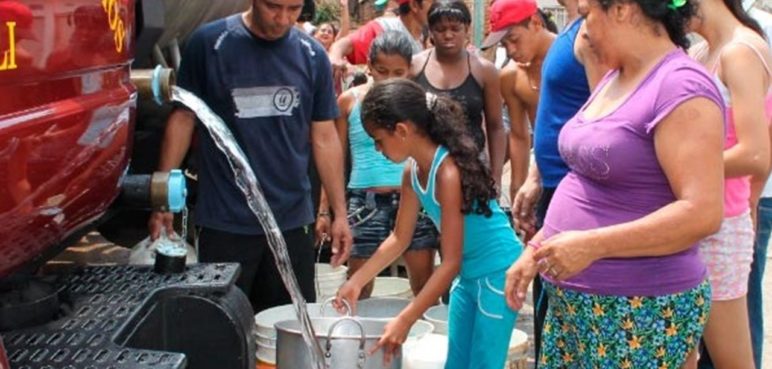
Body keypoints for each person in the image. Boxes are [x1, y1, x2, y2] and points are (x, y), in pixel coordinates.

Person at [504, 0, 727, 367]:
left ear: (622, 9)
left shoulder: (680, 86)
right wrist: (537, 250)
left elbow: (702, 213)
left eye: (588, 12)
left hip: (637, 313)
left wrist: (594, 245)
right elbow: (588, 180)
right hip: (583, 312)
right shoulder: (617, 76)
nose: (583, 27)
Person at [148, 0, 353, 314]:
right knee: (220, 326)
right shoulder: (209, 44)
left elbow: (324, 137)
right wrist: (162, 196)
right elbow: (183, 119)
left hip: (291, 221)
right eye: (274, 7)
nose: (282, 19)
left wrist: (339, 212)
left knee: (290, 327)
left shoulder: (311, 55)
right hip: (225, 221)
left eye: (294, 9)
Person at [335, 79, 523, 369]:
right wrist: (356, 282)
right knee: (457, 362)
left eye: (378, 139)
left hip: (498, 272)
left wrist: (406, 318)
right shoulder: (412, 172)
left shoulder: (447, 173)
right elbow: (399, 238)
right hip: (469, 274)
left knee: (485, 362)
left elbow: (449, 262)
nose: (376, 148)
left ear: (402, 130)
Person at [501, 0, 606, 362]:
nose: (511, 52)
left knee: (570, 319)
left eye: (513, 39)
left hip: (576, 190)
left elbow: (603, 118)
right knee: (551, 318)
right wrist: (534, 175)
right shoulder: (574, 28)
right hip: (554, 188)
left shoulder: (593, 33)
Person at [316, 31, 439, 298]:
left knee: (423, 286)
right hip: (365, 203)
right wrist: (326, 210)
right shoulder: (350, 101)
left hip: (415, 200)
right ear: (368, 66)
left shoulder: (419, 104)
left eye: (398, 72)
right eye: (382, 71)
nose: (389, 79)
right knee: (359, 285)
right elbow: (334, 158)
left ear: (409, 71)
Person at [689, 0, 772, 368]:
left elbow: (756, 154)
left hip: (721, 226)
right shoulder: (699, 50)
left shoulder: (740, 51)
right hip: (692, 220)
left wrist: (683, 167)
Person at [413, 0, 507, 184]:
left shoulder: (484, 71)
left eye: (455, 29)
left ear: (467, 29)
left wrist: (495, 175)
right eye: (440, 29)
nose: (448, 35)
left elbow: (496, 127)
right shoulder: (414, 67)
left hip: (472, 169)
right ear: (431, 31)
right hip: (426, 168)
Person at [487, 0, 557, 202]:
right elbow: (519, 135)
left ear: (535, 23)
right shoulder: (511, 77)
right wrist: (518, 187)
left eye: (514, 39)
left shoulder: (575, 57)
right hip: (544, 172)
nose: (510, 50)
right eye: (503, 44)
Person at [328, 0, 431, 82]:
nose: (438, 6)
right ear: (414, 5)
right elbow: (343, 44)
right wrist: (334, 57)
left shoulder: (430, 37)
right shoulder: (384, 28)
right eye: (434, 2)